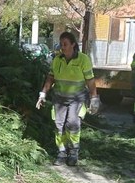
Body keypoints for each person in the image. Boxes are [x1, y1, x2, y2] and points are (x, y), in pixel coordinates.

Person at [36, 32, 100, 166]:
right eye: (61, 44)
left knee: (72, 124)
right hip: (59, 98)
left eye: (65, 44)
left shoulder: (83, 60)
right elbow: (50, 78)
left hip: (77, 99)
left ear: (73, 44)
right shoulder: (57, 60)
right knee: (59, 126)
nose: (62, 47)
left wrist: (94, 98)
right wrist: (43, 93)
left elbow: (90, 80)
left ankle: (73, 152)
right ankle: (61, 152)